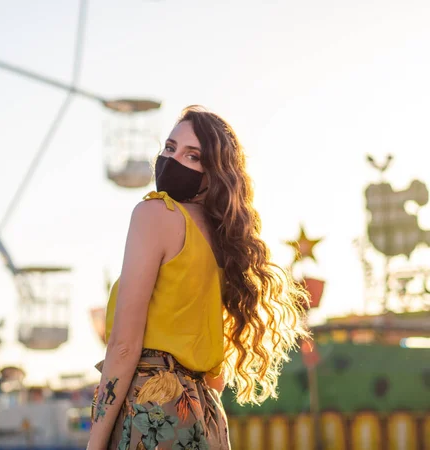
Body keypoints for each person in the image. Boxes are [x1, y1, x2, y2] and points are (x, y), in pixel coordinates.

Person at [88, 105, 309, 450]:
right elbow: (216, 372)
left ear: (213, 173)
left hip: (152, 409)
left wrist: (95, 443)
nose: (173, 160)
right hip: (204, 414)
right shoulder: (224, 240)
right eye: (170, 148)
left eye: (192, 156)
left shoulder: (154, 214)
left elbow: (124, 345)